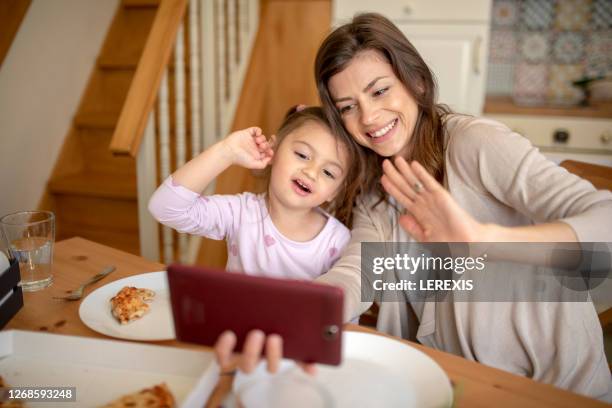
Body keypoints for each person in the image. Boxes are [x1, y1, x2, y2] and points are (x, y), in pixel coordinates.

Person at [217, 13, 612, 401]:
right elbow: (356, 275)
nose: (369, 117)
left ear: (417, 82)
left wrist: (483, 240)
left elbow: (605, 219)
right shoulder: (374, 192)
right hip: (453, 383)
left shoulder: (475, 145)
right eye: (348, 106)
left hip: (551, 389)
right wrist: (290, 317)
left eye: (379, 90)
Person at [148, 106, 363, 280]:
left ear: (335, 192)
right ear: (273, 150)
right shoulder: (239, 213)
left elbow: (345, 314)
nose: (311, 172)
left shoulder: (338, 242)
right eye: (302, 154)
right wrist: (226, 152)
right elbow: (164, 207)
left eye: (328, 172)